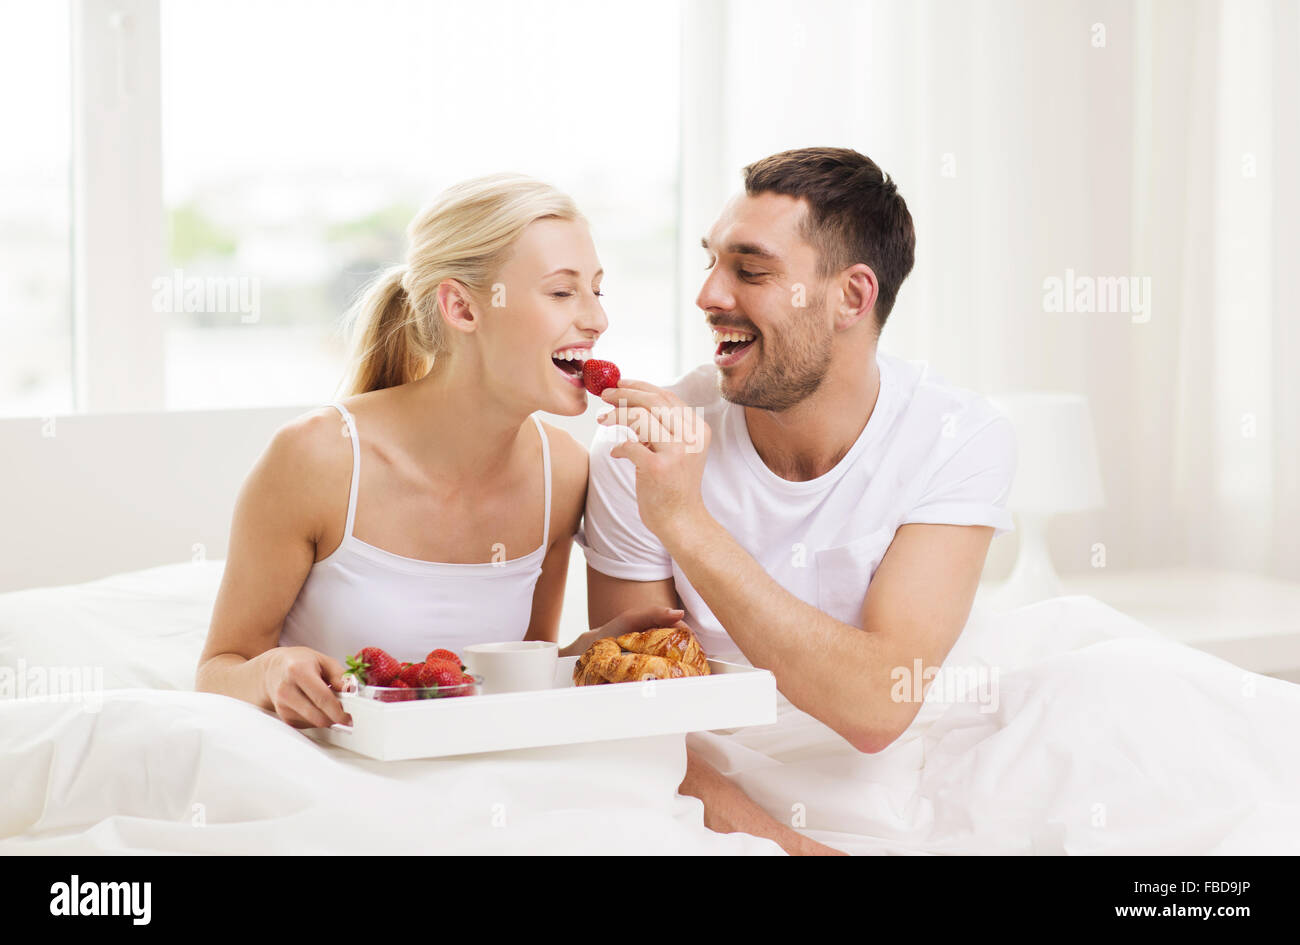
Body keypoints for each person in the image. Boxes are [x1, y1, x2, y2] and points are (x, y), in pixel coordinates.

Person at [573, 147, 1018, 855]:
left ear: (851, 295)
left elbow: (877, 706)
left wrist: (687, 522)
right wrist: (791, 846)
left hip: (897, 763)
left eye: (750, 270)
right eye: (711, 261)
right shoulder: (642, 452)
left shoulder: (956, 436)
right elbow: (636, 722)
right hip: (710, 792)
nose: (710, 295)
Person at [196, 174, 682, 728]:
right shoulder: (317, 458)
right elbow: (216, 671)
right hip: (330, 771)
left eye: (597, 289)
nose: (597, 319)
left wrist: (583, 654)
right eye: (561, 291)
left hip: (472, 778)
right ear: (462, 308)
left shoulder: (564, 472)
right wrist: (269, 672)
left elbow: (502, 690)